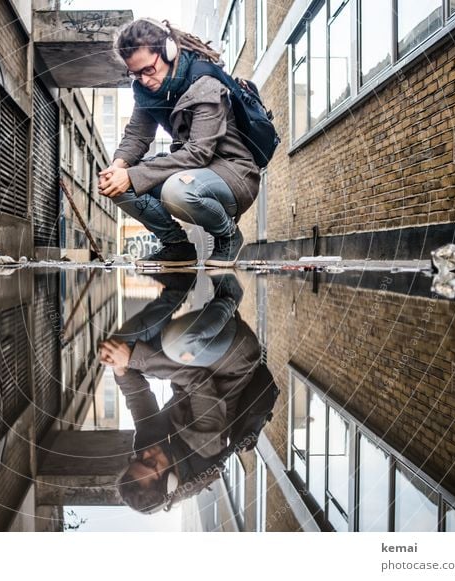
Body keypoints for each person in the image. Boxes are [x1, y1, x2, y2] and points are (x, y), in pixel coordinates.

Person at [98, 18, 260, 267]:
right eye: (135, 73)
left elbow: (198, 153)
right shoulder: (147, 91)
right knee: (115, 184)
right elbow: (137, 135)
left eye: (148, 70)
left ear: (169, 52)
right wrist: (117, 168)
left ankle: (228, 235)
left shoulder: (205, 83)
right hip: (192, 172)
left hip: (233, 172)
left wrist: (132, 174)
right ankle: (177, 246)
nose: (144, 80)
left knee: (176, 191)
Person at [99, 271, 261, 513]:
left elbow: (138, 398)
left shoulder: (146, 448)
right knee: (176, 344)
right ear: (170, 479)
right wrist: (134, 359)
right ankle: (229, 297)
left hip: (198, 364)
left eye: (137, 460)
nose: (145, 453)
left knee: (118, 346)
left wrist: (121, 368)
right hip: (233, 358)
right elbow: (199, 381)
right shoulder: (204, 449)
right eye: (150, 463)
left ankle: (178, 289)